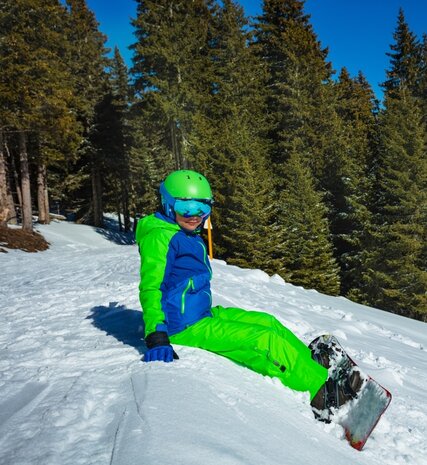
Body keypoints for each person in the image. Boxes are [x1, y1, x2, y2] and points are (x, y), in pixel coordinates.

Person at [135, 169, 357, 416]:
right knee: (263, 342)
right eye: (186, 208)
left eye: (202, 208)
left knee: (267, 322)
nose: (195, 216)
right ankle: (321, 391)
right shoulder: (160, 238)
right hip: (182, 327)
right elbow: (151, 287)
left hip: (200, 315)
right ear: (168, 205)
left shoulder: (183, 232)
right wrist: (156, 333)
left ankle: (308, 362)